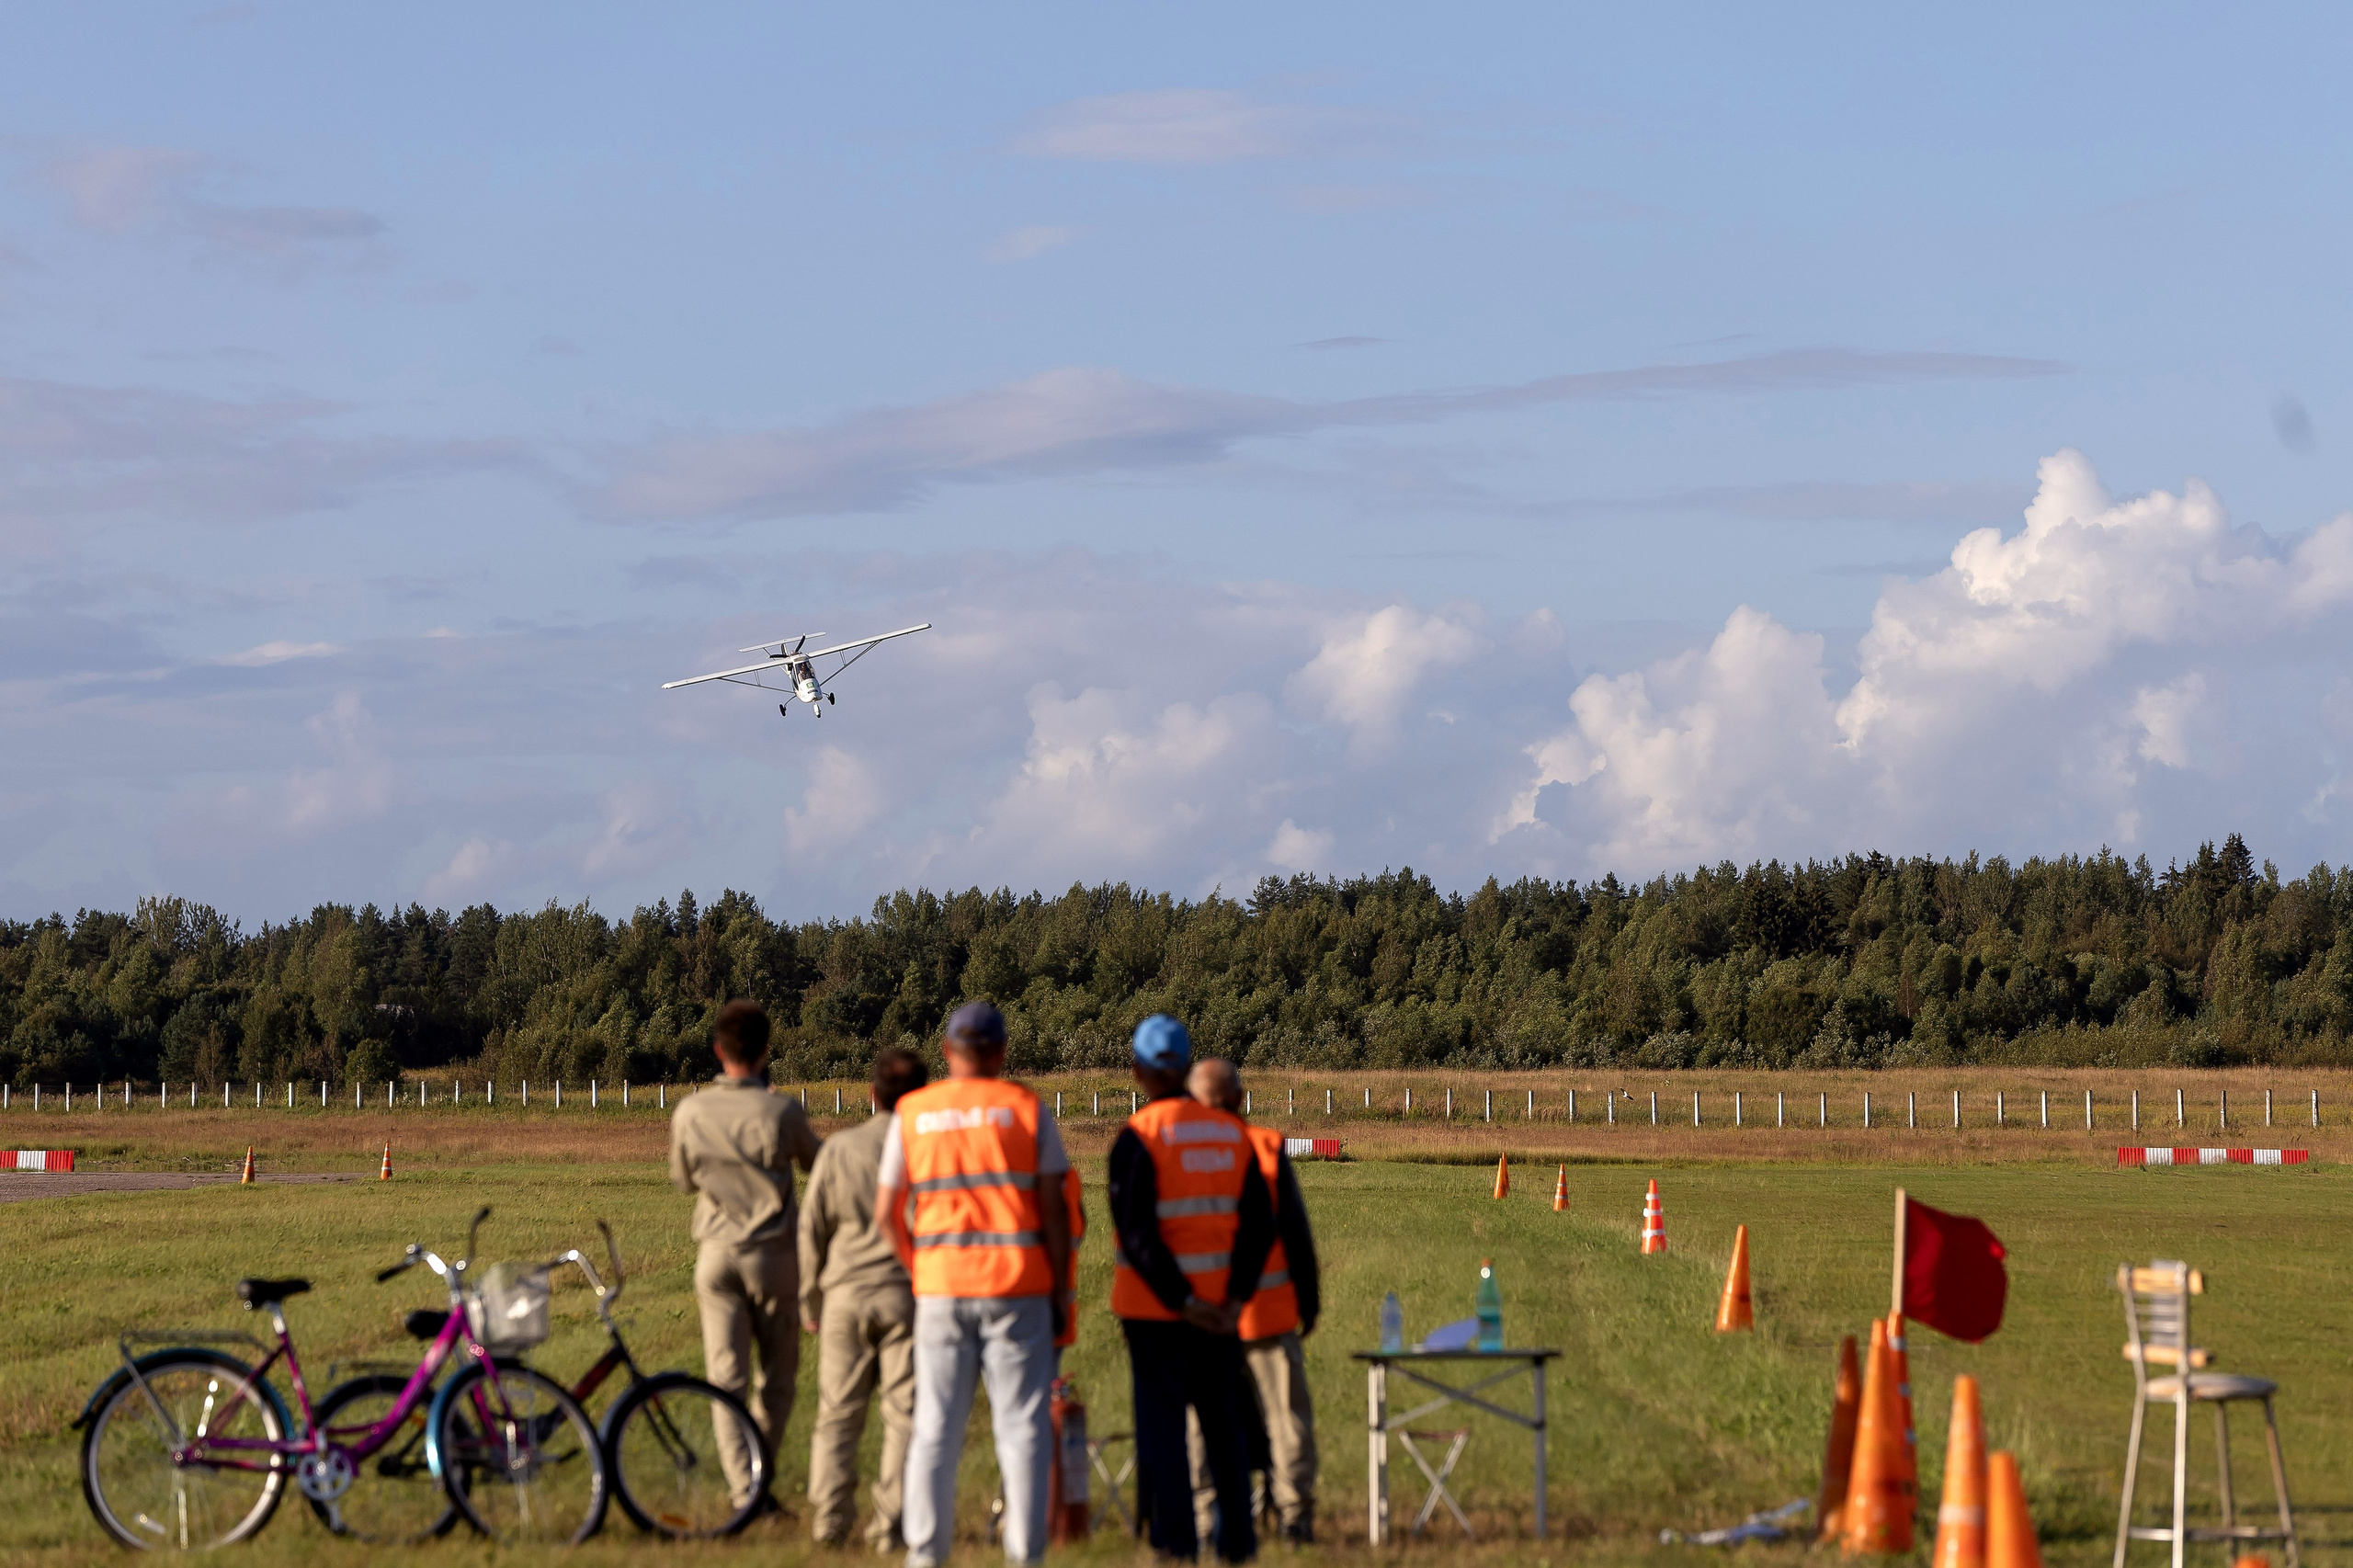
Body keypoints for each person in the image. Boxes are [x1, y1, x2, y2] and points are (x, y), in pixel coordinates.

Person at [876, 1001, 1073, 1568]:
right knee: (1022, 1429)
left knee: (934, 1427)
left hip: (940, 1289)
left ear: (947, 1052)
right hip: (1017, 1288)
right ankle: (1024, 1555)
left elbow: (887, 1211)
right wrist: (1059, 1289)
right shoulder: (1027, 1110)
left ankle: (924, 1555)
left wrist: (922, 1270)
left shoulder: (914, 1112)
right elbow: (1056, 1210)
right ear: (1002, 1051)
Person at [1108, 1016, 1275, 1563]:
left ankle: (1177, 1545)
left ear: (1136, 1071)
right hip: (1221, 1317)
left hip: (1156, 1316)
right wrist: (1230, 1301)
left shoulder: (1138, 1139)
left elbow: (1138, 1237)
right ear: (1186, 1065)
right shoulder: (1231, 1135)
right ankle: (1237, 1544)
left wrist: (1183, 1301)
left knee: (1164, 1438)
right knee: (1224, 1434)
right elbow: (1257, 1228)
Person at [667, 998, 824, 1511]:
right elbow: (817, 1165)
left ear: (718, 1049)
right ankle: (761, 1483)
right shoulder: (781, 1110)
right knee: (776, 1379)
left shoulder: (691, 1111)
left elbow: (682, 1180)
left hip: (716, 1256)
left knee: (725, 1379)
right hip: (773, 1255)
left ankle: (743, 1490)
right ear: (765, 1049)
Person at [1183, 1059, 1321, 1545]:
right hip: (1266, 1311)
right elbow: (1295, 1234)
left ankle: (1204, 1518)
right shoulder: (1264, 1147)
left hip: (1199, 1316)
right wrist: (1310, 1302)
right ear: (1240, 1099)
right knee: (1285, 1418)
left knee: (1200, 1421)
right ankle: (1294, 1516)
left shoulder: (1176, 1153)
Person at [800, 1047, 929, 1551]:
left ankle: (829, 1522)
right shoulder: (926, 1150)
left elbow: (812, 1229)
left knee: (837, 1412)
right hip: (908, 1295)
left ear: (872, 1094)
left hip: (845, 1297)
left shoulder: (840, 1149)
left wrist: (810, 1299)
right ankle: (890, 1526)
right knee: (906, 1414)